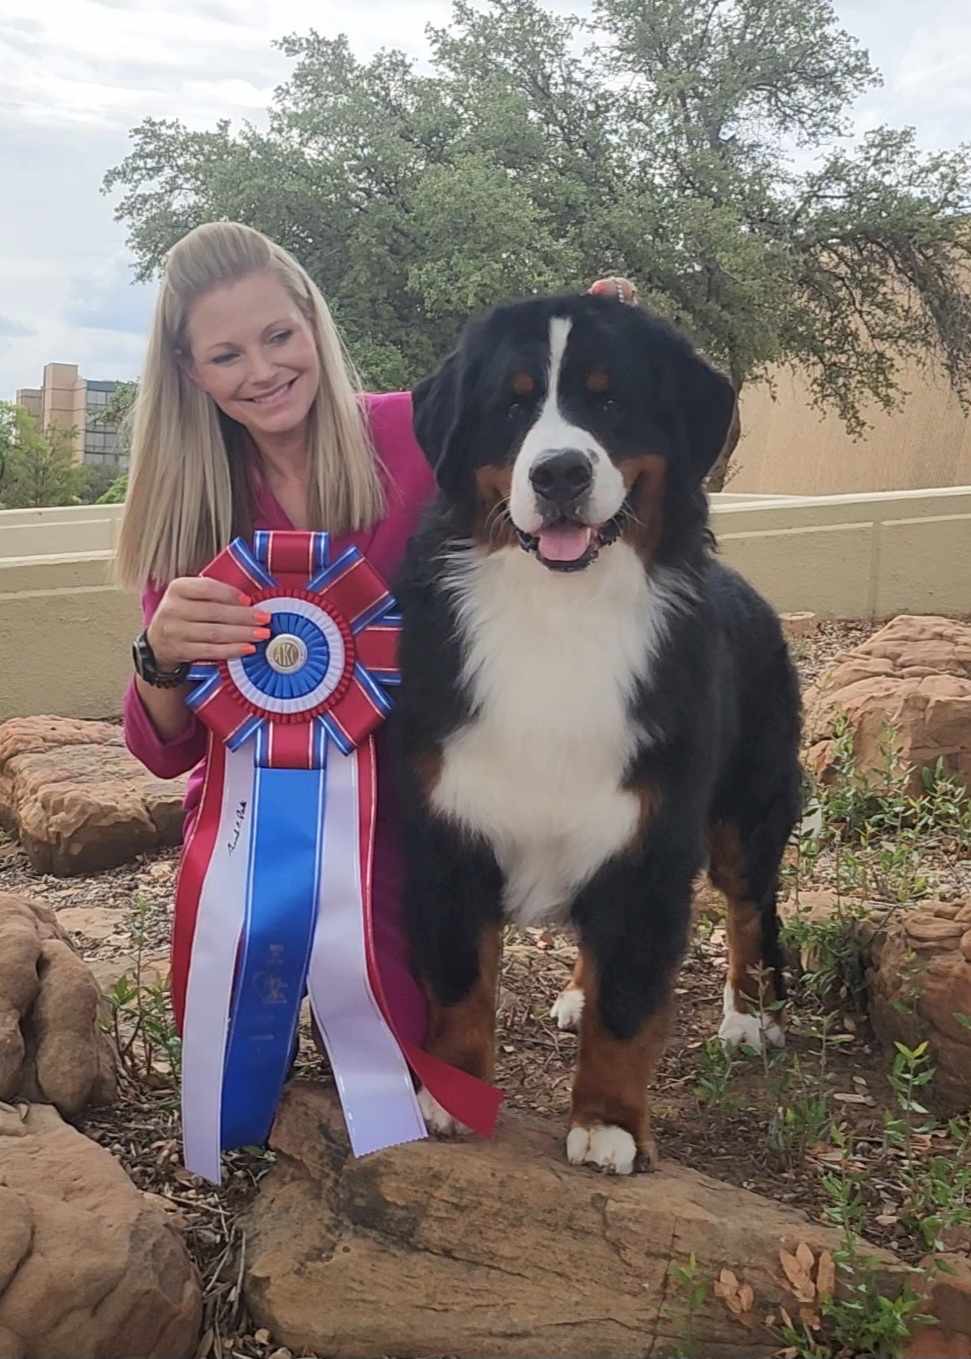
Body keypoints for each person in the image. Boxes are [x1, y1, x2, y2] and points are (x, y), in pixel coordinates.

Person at [117, 220, 435, 1051]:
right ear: (190, 371)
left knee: (399, 1060)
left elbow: (546, 439)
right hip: (251, 828)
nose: (262, 371)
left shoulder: (420, 435)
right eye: (226, 355)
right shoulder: (186, 508)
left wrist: (604, 336)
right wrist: (161, 652)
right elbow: (165, 753)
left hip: (412, 807)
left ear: (312, 321)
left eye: (278, 336)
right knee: (231, 1065)